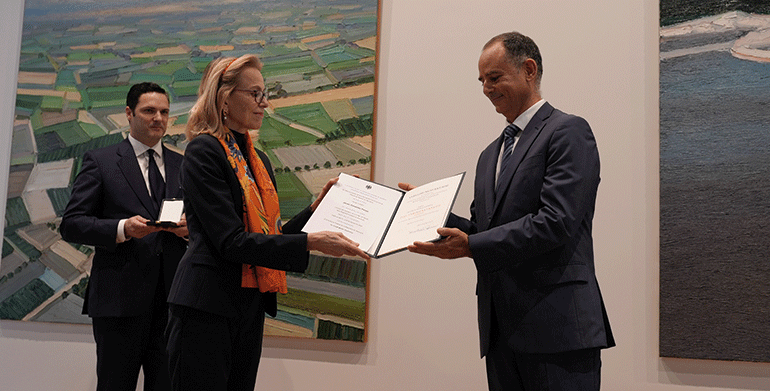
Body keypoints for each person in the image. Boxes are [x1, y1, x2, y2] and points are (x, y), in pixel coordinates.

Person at [402, 32, 615, 390]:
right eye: (482, 80)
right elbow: (483, 228)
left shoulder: (568, 132)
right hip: (500, 331)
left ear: (529, 70)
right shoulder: (490, 155)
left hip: (558, 330)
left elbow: (556, 222)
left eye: (495, 77)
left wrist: (471, 246)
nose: (486, 88)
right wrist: (431, 213)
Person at [165, 54, 370, 391]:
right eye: (256, 94)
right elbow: (231, 242)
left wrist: (314, 211)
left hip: (247, 306)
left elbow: (269, 238)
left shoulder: (257, 159)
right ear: (224, 98)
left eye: (265, 93)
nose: (265, 103)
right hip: (206, 308)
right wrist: (311, 243)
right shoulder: (204, 152)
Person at [60, 82, 188, 391]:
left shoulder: (182, 164)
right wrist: (121, 229)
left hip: (172, 304)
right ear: (129, 114)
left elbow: (197, 221)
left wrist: (188, 230)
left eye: (164, 112)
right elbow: (72, 224)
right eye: (149, 111)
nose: (158, 118)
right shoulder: (100, 161)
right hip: (118, 305)